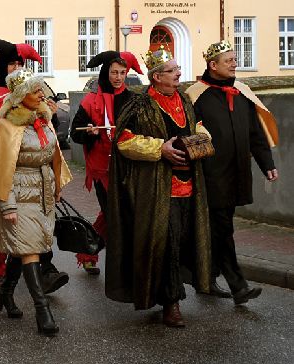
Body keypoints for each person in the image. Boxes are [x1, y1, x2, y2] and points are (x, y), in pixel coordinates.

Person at [106, 46, 213, 327]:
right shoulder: (140, 105)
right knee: (166, 245)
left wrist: (201, 141)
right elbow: (124, 142)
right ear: (155, 77)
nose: (178, 73)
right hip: (157, 190)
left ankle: (173, 292)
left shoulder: (186, 101)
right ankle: (171, 302)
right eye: (171, 70)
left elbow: (199, 127)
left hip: (190, 186)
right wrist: (159, 149)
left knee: (182, 242)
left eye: (177, 69)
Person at [0, 69, 72, 336]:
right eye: (36, 91)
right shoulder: (5, 127)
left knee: (24, 248)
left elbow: (52, 157)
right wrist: (7, 205)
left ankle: (6, 292)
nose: (42, 95)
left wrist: (55, 186)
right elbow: (1, 170)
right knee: (30, 250)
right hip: (16, 195)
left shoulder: (43, 120)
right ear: (20, 96)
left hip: (42, 195)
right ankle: (42, 309)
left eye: (41, 90)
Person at [0, 38, 69, 294]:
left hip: (31, 171)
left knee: (39, 219)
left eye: (20, 63)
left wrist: (49, 114)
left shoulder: (33, 93)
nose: (17, 68)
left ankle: (44, 270)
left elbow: (44, 137)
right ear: (2, 67)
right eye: (11, 63)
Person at [186, 40, 279, 304]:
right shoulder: (195, 95)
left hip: (237, 173)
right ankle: (238, 286)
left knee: (219, 228)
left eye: (234, 59)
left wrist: (267, 164)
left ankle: (206, 278)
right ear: (212, 65)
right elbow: (187, 133)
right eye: (229, 61)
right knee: (223, 229)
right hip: (210, 175)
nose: (235, 63)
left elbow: (255, 133)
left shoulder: (242, 92)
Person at [70, 51, 142, 275]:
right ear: (106, 73)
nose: (118, 77)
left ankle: (88, 251)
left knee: (117, 213)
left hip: (127, 166)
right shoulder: (91, 100)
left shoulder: (132, 100)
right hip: (102, 168)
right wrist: (90, 133)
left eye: (122, 73)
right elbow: (75, 134)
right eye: (114, 72)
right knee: (114, 215)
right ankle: (123, 266)